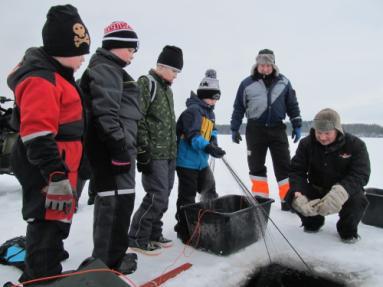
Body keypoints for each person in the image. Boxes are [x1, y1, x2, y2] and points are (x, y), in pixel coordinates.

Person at [6, 4, 90, 281]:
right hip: (49, 170)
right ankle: (40, 277)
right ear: (61, 50)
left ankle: (48, 265)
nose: (82, 60)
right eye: (79, 53)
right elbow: (37, 134)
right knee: (46, 226)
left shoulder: (61, 76)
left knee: (57, 224)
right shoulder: (41, 80)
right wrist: (56, 175)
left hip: (66, 167)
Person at [79, 21, 141, 274]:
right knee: (113, 207)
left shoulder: (113, 69)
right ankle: (104, 265)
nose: (133, 54)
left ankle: (113, 257)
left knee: (122, 205)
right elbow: (106, 113)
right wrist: (118, 150)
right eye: (131, 49)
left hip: (121, 150)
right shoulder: (106, 68)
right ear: (118, 46)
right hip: (111, 153)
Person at [230, 49, 302, 210]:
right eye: (262, 65)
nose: (265, 68)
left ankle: (287, 200)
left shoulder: (284, 82)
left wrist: (297, 124)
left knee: (284, 166)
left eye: (268, 65)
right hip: (255, 130)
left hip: (277, 129)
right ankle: (261, 201)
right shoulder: (246, 83)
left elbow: (292, 105)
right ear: (257, 65)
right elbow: (238, 107)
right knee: (256, 166)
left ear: (273, 65)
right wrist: (234, 128)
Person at [128, 45, 183, 254]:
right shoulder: (146, 83)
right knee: (156, 195)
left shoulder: (167, 89)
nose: (176, 76)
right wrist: (143, 150)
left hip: (169, 153)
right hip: (153, 153)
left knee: (165, 194)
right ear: (162, 66)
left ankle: (154, 232)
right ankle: (137, 237)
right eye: (174, 71)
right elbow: (138, 118)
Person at [286, 108, 370, 243]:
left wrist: (341, 192)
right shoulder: (306, 143)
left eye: (327, 133)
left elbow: (361, 174)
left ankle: (347, 230)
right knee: (291, 195)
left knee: (358, 200)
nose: (322, 137)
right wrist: (298, 192)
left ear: (337, 129)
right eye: (319, 132)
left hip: (342, 190)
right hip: (317, 188)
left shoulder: (356, 145)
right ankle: (313, 222)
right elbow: (296, 170)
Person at [174, 69, 225, 242]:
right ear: (203, 95)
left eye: (216, 98)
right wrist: (209, 148)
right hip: (186, 163)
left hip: (201, 163)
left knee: (209, 190)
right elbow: (193, 136)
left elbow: (213, 130)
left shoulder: (210, 112)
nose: (214, 101)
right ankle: (183, 227)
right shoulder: (193, 111)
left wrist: (214, 142)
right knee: (187, 197)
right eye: (211, 97)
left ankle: (209, 220)